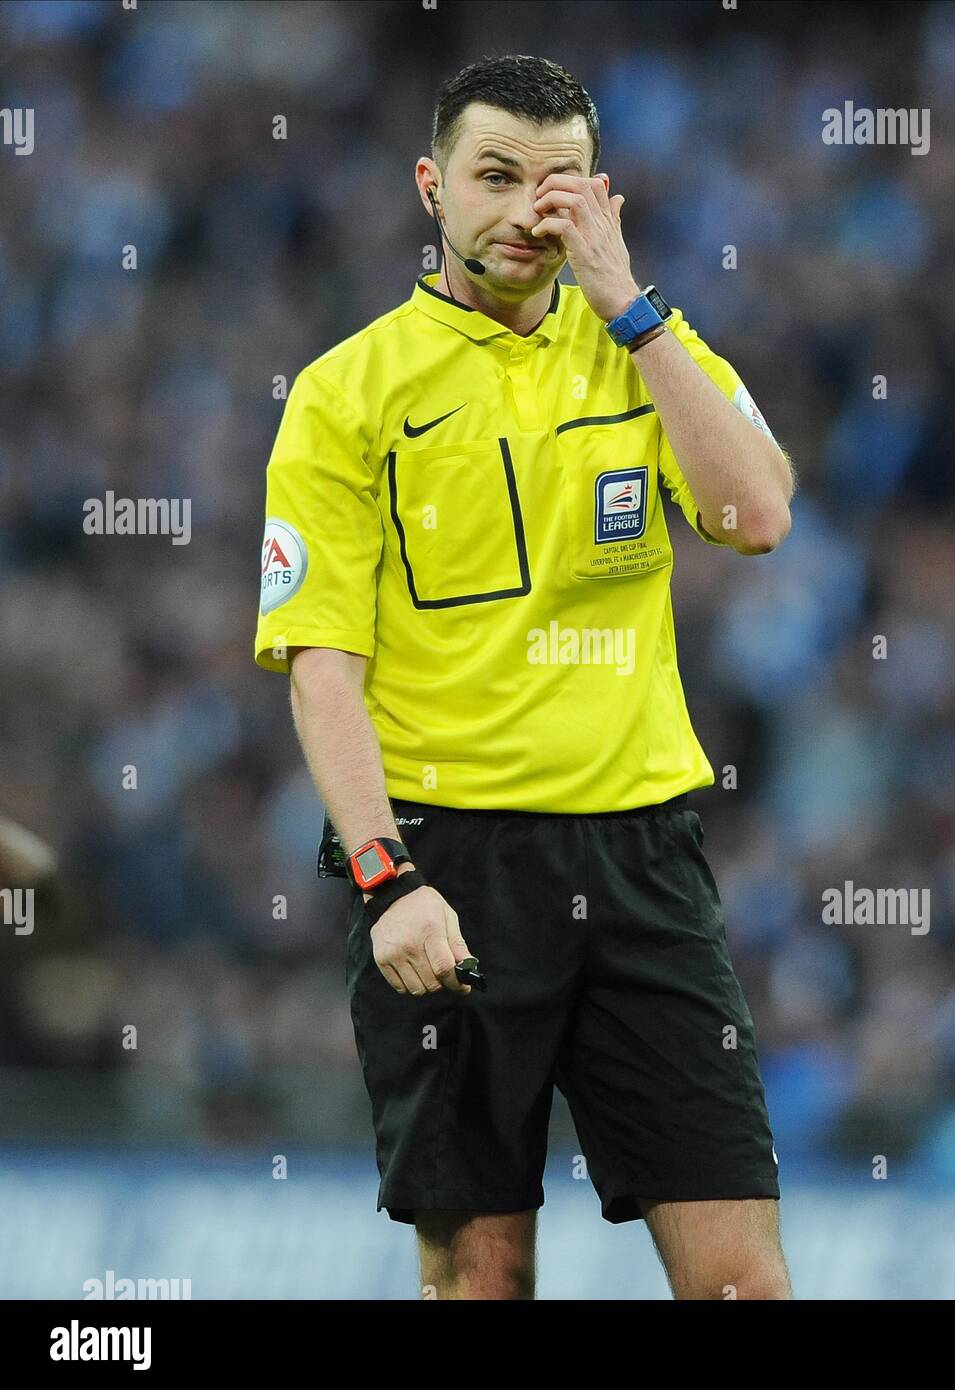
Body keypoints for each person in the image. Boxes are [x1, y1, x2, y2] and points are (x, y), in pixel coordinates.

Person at [254, 54, 795, 1300]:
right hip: (451, 862)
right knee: (481, 1278)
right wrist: (387, 876)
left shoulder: (648, 347)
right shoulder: (346, 394)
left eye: (558, 186)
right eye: (494, 177)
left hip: (642, 860)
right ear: (430, 186)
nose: (524, 212)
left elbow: (757, 512)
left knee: (741, 1283)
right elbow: (322, 665)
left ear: (599, 199)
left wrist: (631, 305)